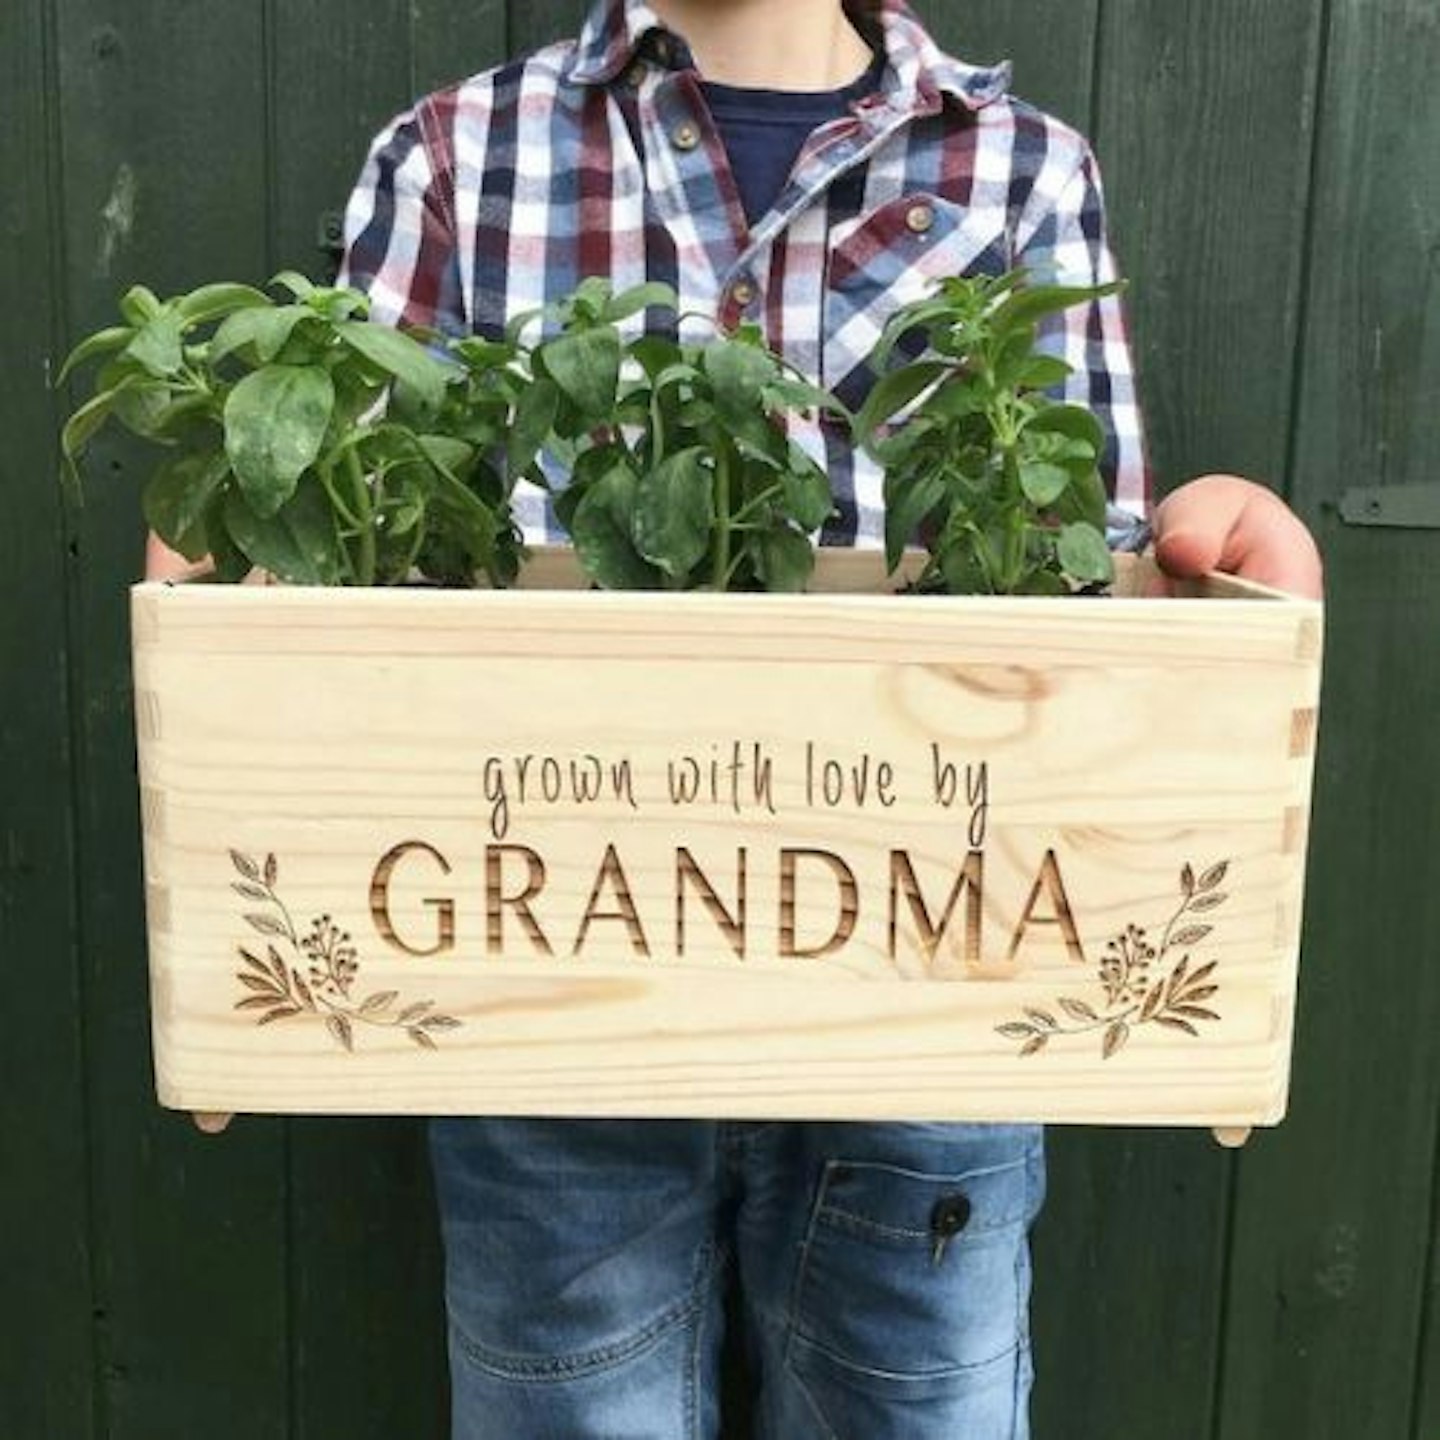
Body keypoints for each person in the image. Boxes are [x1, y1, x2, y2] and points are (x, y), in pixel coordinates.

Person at [148, 1, 1322, 1435]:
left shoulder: (1021, 168)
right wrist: (255, 559)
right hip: (544, 990)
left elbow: (1084, 588)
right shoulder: (458, 155)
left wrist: (1219, 574)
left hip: (938, 987)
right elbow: (361, 551)